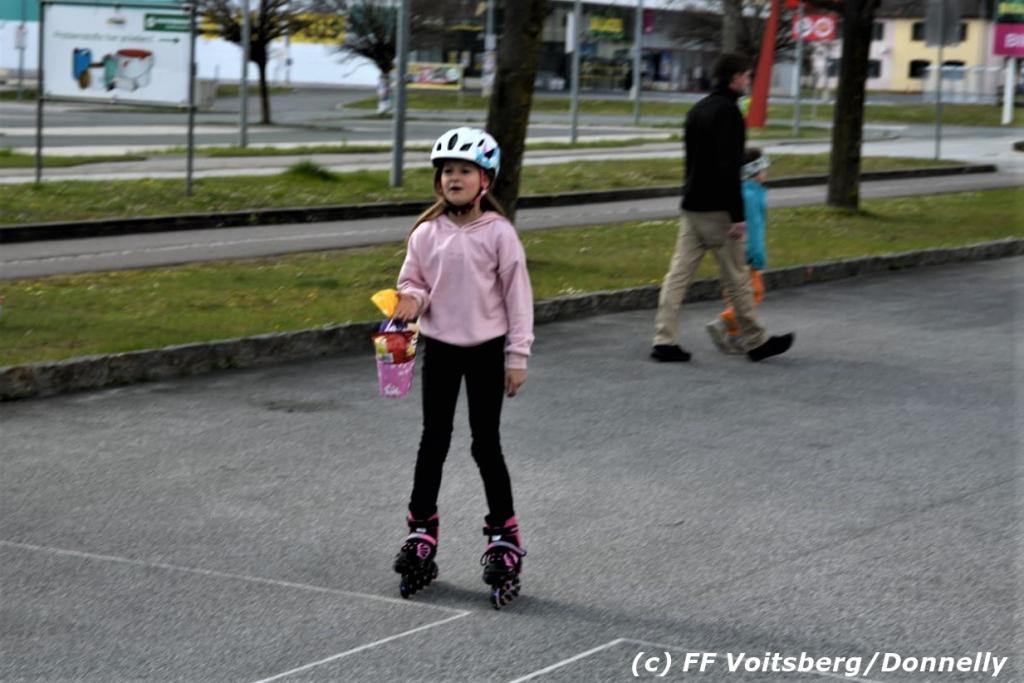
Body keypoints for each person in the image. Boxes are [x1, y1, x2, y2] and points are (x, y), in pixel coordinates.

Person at [390, 127, 533, 609]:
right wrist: (410, 301)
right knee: (433, 440)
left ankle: (504, 534)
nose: (454, 178)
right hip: (440, 348)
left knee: (484, 444)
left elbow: (518, 299)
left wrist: (518, 356)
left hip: (487, 350)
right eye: (447, 171)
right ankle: (421, 530)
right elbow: (414, 282)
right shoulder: (425, 234)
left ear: (484, 181)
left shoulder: (499, 234)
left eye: (465, 171)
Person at [650, 53, 793, 363]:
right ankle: (756, 341)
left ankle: (664, 339)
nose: (748, 80)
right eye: (747, 75)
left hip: (692, 206)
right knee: (738, 278)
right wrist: (738, 216)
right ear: (735, 77)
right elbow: (729, 169)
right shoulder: (729, 114)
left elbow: (692, 162)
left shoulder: (698, 110)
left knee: (677, 276)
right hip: (719, 211)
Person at [706, 147, 770, 354]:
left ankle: (734, 337)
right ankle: (723, 322)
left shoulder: (737, 192)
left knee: (734, 294)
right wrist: (757, 256)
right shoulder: (752, 195)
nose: (767, 173)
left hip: (730, 251)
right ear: (755, 172)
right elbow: (754, 230)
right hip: (746, 254)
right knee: (754, 293)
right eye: (764, 170)